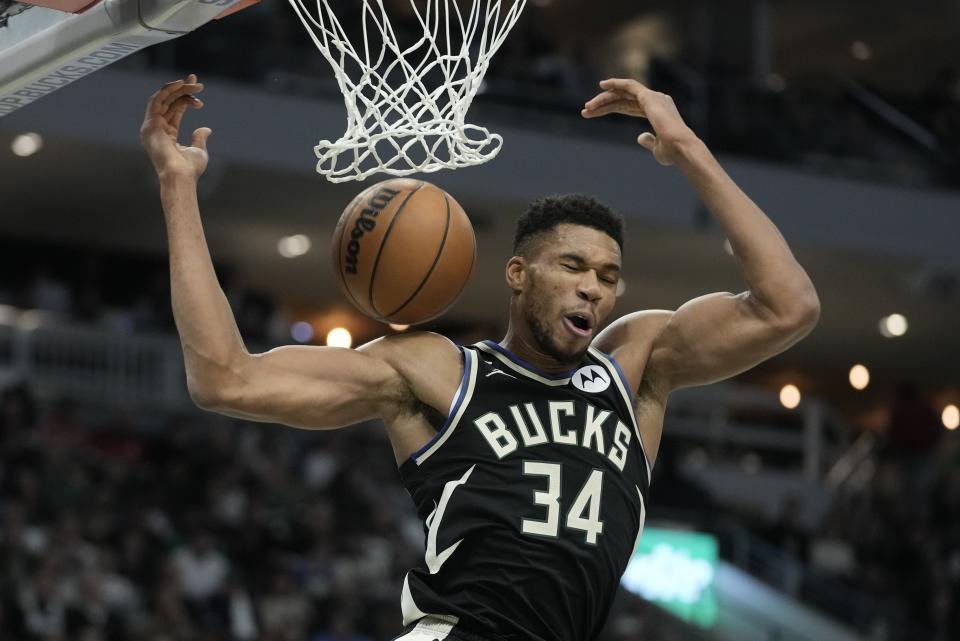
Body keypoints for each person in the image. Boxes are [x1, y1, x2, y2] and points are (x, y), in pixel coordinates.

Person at [140, 73, 820, 641]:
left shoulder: (636, 366)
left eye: (608, 277)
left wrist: (688, 149)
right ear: (519, 273)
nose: (593, 285)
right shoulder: (437, 370)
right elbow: (223, 376)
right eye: (574, 265)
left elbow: (790, 307)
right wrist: (177, 188)